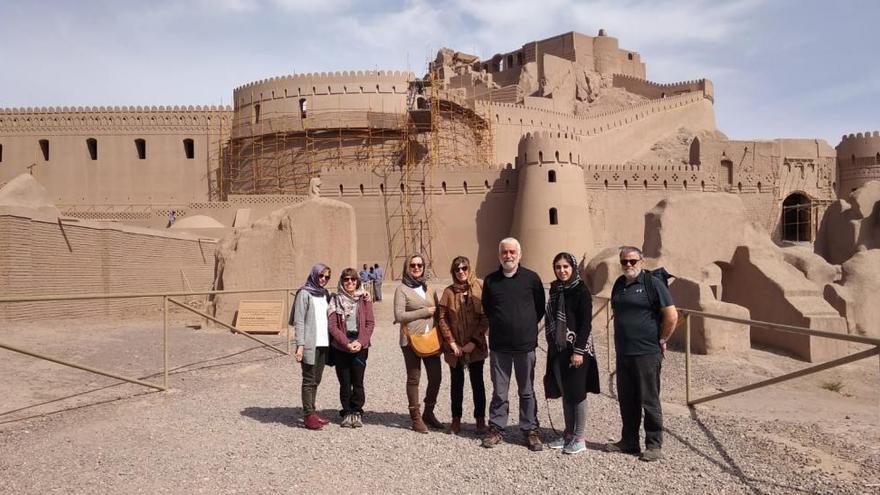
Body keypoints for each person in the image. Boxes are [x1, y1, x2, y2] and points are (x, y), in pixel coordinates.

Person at [605, 246, 677, 462]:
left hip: (646, 352)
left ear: (642, 261)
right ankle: (629, 441)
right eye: (625, 261)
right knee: (627, 399)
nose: (629, 265)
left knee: (649, 400)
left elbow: (671, 316)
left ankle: (654, 444)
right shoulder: (619, 284)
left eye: (633, 261)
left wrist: (662, 339)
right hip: (624, 352)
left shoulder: (652, 283)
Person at [480, 238, 546, 451]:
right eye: (504, 252)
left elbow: (539, 307)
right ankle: (497, 428)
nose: (508, 256)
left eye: (511, 252)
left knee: (526, 390)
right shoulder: (491, 281)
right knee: (500, 391)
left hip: (524, 346)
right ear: (499, 255)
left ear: (519, 254)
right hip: (499, 346)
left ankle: (530, 429)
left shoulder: (531, 279)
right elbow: (488, 308)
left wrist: (523, 326)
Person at [543, 252, 600, 455]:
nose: (562, 270)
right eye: (558, 267)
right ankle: (568, 433)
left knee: (577, 393)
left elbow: (586, 324)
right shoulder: (556, 290)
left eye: (566, 266)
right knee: (566, 392)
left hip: (577, 349)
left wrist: (578, 351)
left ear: (573, 268)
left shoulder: (581, 291)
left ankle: (579, 437)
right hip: (559, 349)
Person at [393, 253, 444, 433]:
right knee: (414, 378)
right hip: (410, 341)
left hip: (430, 339)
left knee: (436, 377)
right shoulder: (402, 289)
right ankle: (415, 418)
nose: (416, 268)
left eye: (419, 265)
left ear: (424, 267)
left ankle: (428, 413)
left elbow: (437, 313)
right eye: (413, 265)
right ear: (407, 267)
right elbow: (399, 316)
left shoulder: (429, 288)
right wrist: (423, 312)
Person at [438, 256, 489, 435]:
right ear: (453, 272)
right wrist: (451, 342)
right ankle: (455, 420)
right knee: (456, 383)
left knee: (477, 383)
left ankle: (480, 420)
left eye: (464, 268)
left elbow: (485, 318)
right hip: (455, 347)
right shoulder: (448, 292)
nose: (461, 272)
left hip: (475, 346)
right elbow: (442, 318)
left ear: (470, 269)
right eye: (457, 269)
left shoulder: (478, 289)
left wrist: (473, 343)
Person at [327, 268, 375, 428]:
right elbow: (333, 326)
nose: (350, 282)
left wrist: (360, 342)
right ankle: (347, 411)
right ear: (342, 281)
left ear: (357, 282)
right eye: (346, 279)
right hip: (341, 346)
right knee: (345, 381)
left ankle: (357, 411)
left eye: (353, 280)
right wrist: (346, 343)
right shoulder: (335, 300)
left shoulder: (364, 299)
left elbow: (369, 323)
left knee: (358, 381)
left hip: (360, 345)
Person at [290, 263, 333, 430]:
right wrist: (300, 345)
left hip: (323, 343)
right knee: (308, 379)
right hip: (309, 344)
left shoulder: (324, 294)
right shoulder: (304, 293)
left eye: (327, 277)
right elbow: (299, 321)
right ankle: (308, 415)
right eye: (321, 276)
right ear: (314, 275)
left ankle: (313, 412)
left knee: (317, 379)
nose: (323, 279)